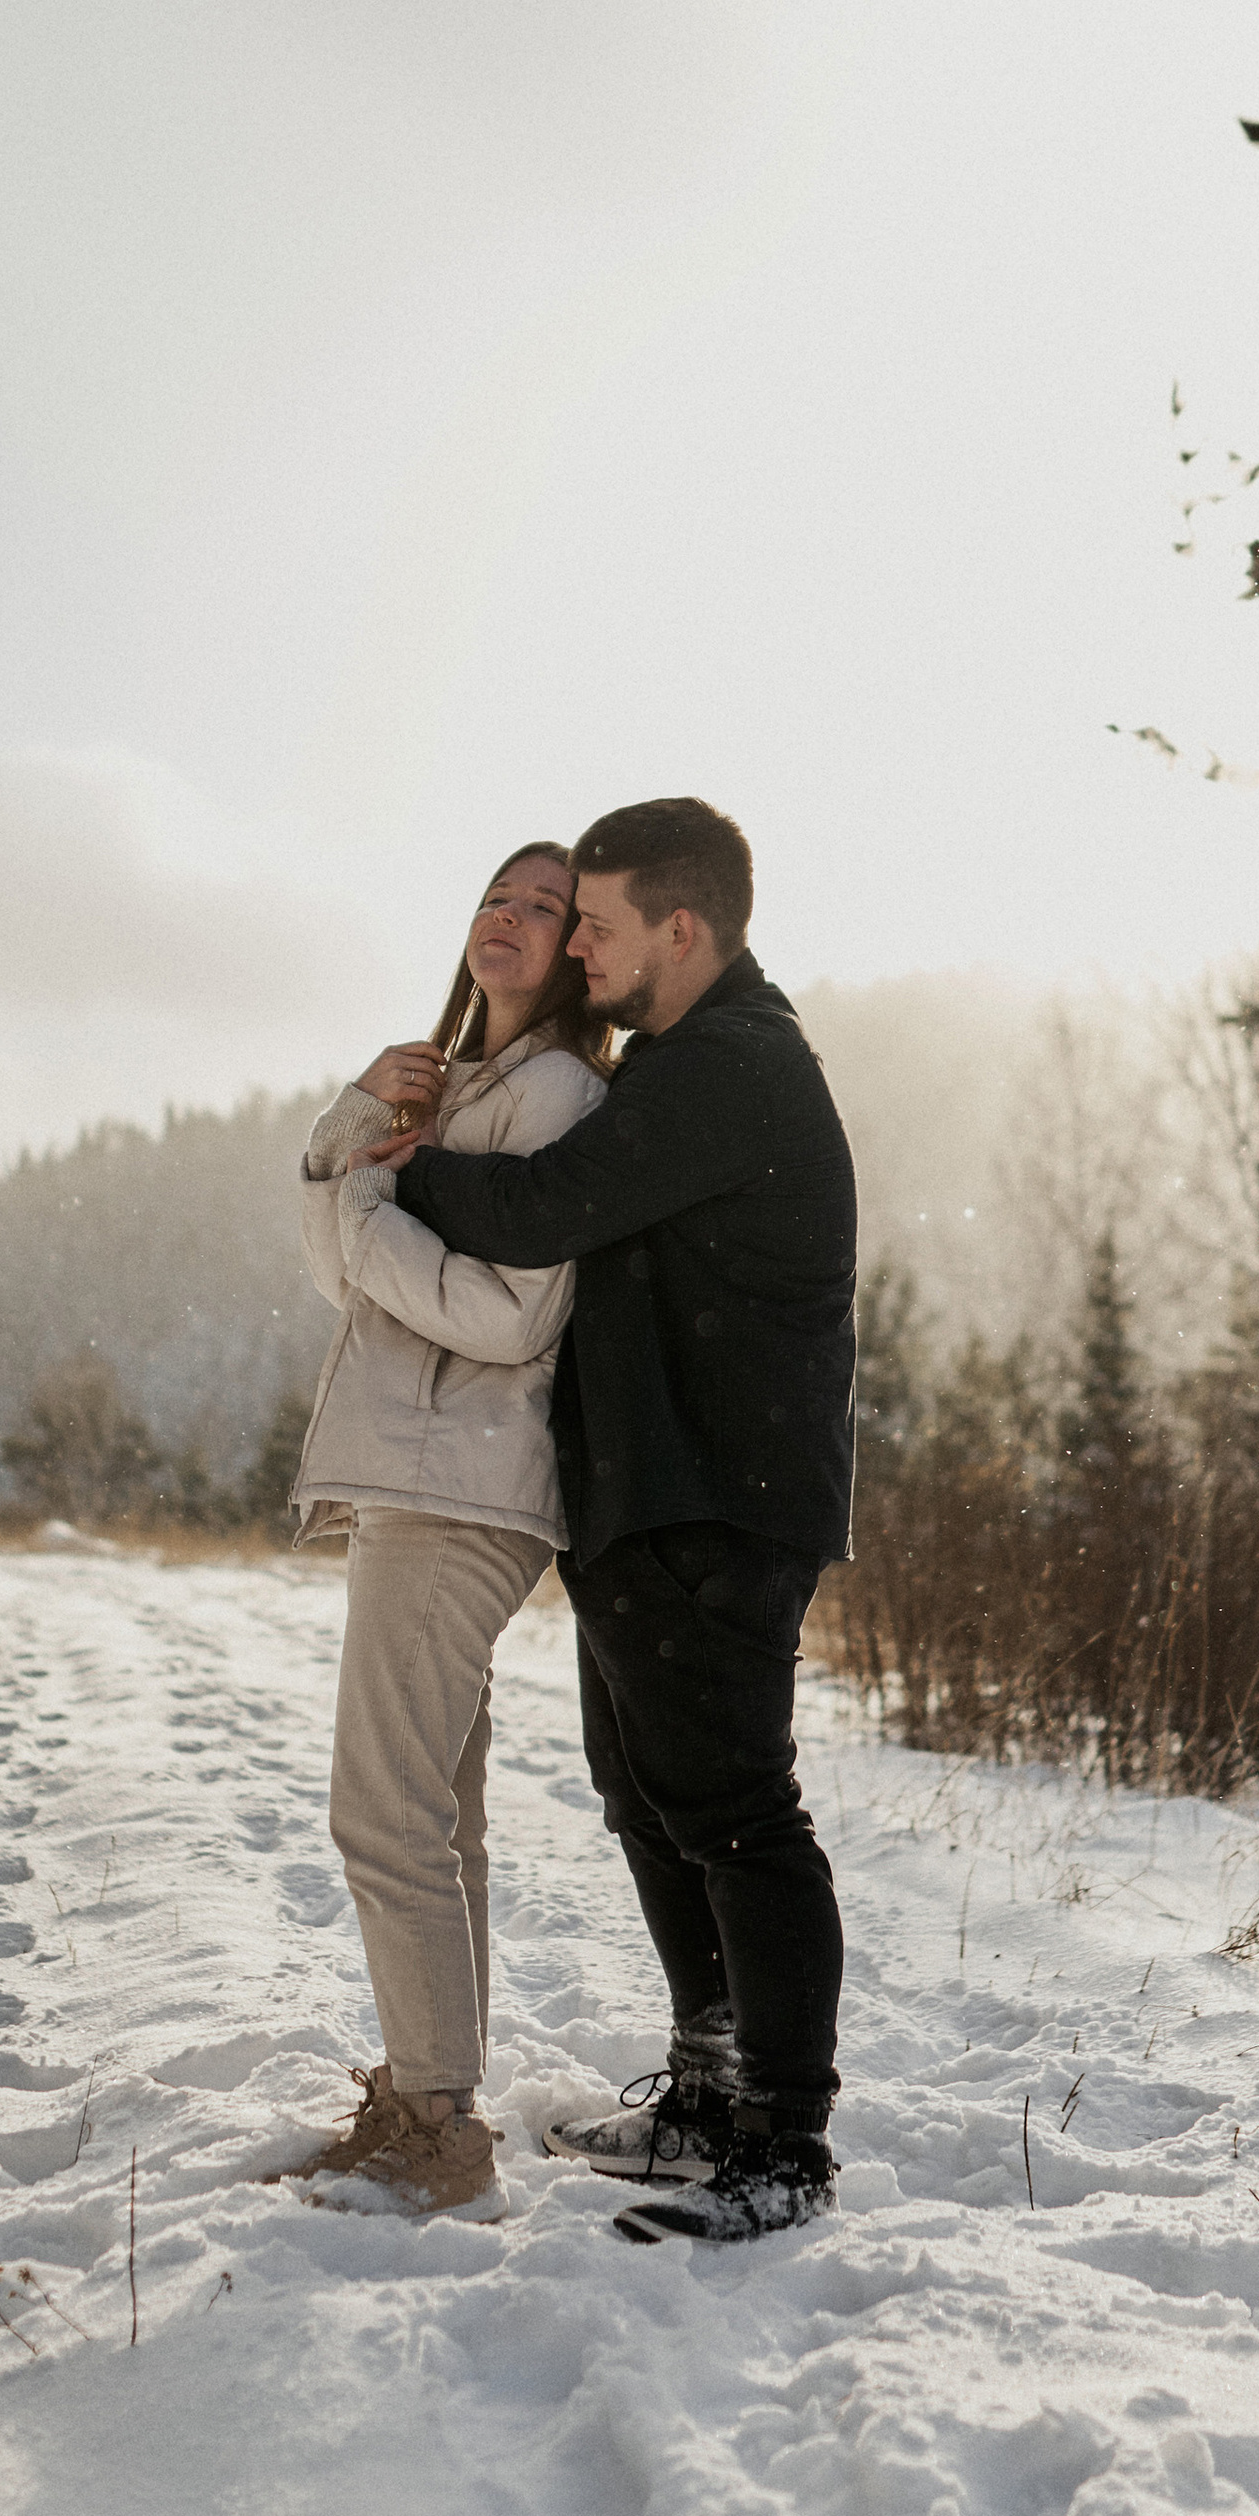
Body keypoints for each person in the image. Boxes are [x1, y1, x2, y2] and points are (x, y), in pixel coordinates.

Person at [353, 795, 857, 2244]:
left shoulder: (732, 1067)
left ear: (680, 930)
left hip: (725, 1493)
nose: (577, 943)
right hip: (649, 1493)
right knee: (651, 1799)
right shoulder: (682, 1062)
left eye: (601, 923)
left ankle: (785, 2142)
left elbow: (539, 1211)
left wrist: (402, 1162)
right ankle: (705, 2091)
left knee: (741, 1813)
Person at [275, 842, 612, 2217]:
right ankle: (434, 2099)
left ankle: (434, 2125)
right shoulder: (462, 1080)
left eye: (546, 907)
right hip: (424, 1472)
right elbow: (339, 1270)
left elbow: (512, 1311)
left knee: (383, 1810)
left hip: (464, 1481)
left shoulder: (560, 1093)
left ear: (583, 949)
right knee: (438, 1812)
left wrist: (364, 1212)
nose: (510, 918)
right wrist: (352, 1124)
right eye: (496, 894)